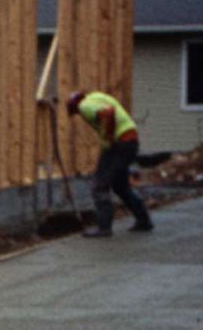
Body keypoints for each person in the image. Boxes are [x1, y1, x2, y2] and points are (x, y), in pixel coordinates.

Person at [66, 89, 153, 237]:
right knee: (121, 187)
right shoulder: (96, 96)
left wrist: (108, 137)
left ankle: (104, 228)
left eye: (76, 113)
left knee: (100, 186)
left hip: (119, 144)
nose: (80, 116)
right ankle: (144, 221)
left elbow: (108, 113)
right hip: (129, 142)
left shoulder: (84, 106)